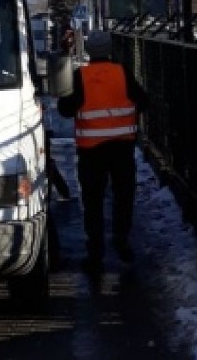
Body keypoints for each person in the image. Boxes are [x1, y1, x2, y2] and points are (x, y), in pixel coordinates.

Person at [57, 29, 149, 275]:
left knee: (93, 201)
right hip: (122, 148)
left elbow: (65, 109)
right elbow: (144, 100)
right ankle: (121, 240)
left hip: (91, 151)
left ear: (88, 51)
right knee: (123, 196)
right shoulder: (122, 73)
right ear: (110, 49)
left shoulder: (81, 76)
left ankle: (95, 252)